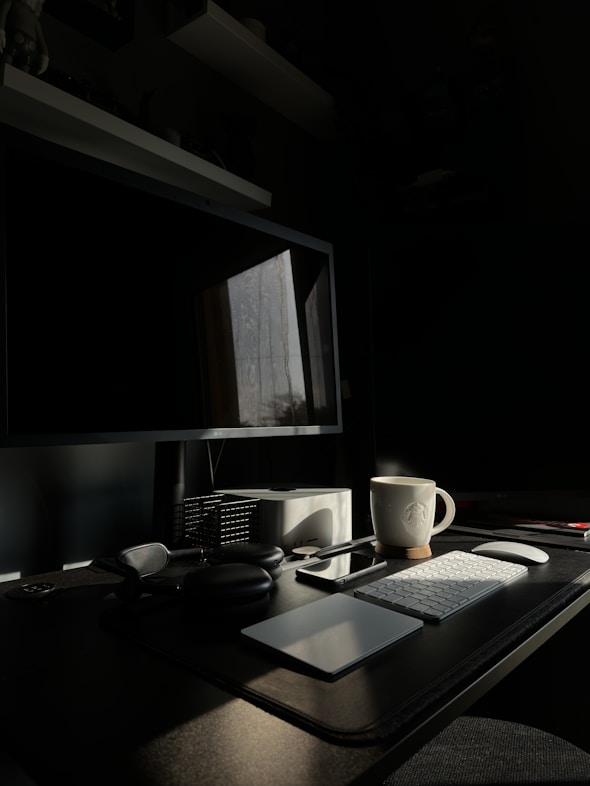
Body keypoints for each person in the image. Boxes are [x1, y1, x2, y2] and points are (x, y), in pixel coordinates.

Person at [0, 0, 49, 76]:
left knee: (21, 74)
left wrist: (44, 56)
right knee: (5, 70)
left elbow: (41, 40)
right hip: (18, 44)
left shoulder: (34, 18)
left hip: (24, 47)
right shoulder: (11, 2)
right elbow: (2, 16)